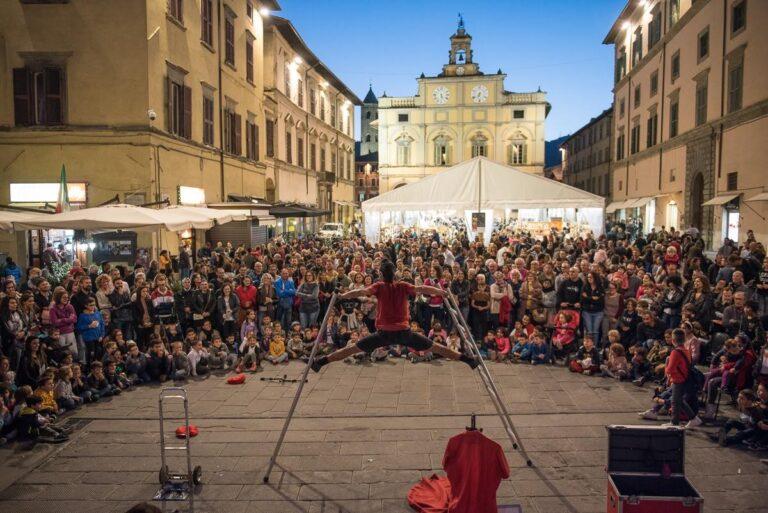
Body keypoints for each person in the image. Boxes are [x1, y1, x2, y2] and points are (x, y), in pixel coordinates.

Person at [309, 261, 478, 372]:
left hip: (384, 333)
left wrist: (344, 296)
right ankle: (468, 360)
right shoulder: (402, 285)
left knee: (351, 349)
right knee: (435, 347)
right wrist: (441, 292)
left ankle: (320, 363)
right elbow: (422, 289)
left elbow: (361, 291)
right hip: (403, 331)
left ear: (382, 274)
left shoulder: (379, 286)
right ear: (395, 273)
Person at [662, 328, 702, 429]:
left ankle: (675, 422)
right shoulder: (686, 350)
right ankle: (693, 419)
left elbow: (670, 369)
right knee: (678, 400)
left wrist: (667, 372)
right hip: (685, 378)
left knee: (675, 401)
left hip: (678, 379)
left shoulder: (675, 352)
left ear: (673, 340)